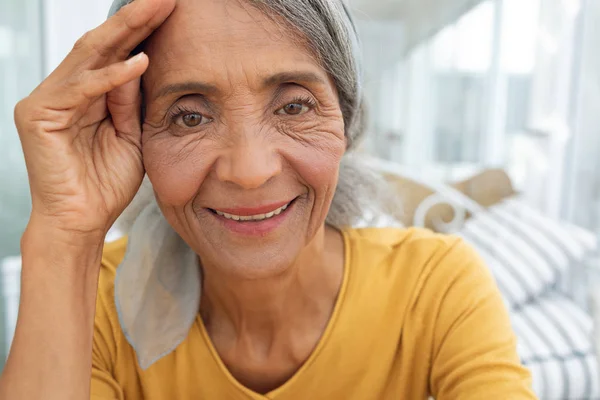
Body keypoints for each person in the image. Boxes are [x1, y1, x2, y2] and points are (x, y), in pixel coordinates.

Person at [0, 0, 536, 398]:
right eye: (190, 116)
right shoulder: (97, 300)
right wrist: (64, 234)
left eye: (295, 107)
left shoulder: (435, 284)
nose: (251, 172)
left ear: (345, 123)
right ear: (134, 139)